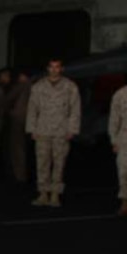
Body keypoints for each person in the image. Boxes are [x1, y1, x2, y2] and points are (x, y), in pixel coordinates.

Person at [26, 58, 80, 207]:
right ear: (48, 68)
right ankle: (43, 193)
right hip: (42, 129)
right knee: (42, 163)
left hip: (61, 130)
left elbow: (74, 110)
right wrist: (32, 128)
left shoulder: (70, 87)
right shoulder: (38, 87)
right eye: (52, 67)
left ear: (61, 69)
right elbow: (32, 109)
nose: (54, 70)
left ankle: (55, 194)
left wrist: (72, 129)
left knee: (59, 163)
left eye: (57, 67)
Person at [3, 69, 32, 184]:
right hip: (30, 120)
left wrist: (9, 111)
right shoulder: (35, 86)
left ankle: (19, 174)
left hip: (18, 119)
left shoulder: (22, 86)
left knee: (18, 147)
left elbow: (8, 98)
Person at [110, 82, 127, 216]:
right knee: (124, 171)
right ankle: (125, 202)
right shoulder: (120, 94)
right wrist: (114, 140)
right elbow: (114, 119)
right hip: (124, 137)